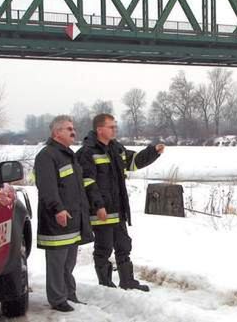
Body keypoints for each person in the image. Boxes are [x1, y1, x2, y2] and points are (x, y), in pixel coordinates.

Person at [77, 113, 165, 292]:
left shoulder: (116, 148)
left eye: (115, 126)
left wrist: (153, 152)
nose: (114, 129)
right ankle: (106, 284)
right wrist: (98, 206)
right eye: (111, 127)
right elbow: (88, 182)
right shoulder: (87, 152)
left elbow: (133, 162)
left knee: (124, 245)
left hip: (118, 208)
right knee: (104, 247)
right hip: (101, 210)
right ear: (100, 129)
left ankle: (127, 281)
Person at [34, 115, 93, 312]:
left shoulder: (69, 155)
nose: (73, 131)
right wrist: (58, 209)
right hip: (56, 221)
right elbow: (48, 188)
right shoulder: (46, 156)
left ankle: (70, 294)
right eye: (68, 129)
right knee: (57, 264)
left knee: (69, 263)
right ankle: (58, 299)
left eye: (73, 128)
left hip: (73, 220)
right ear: (56, 132)